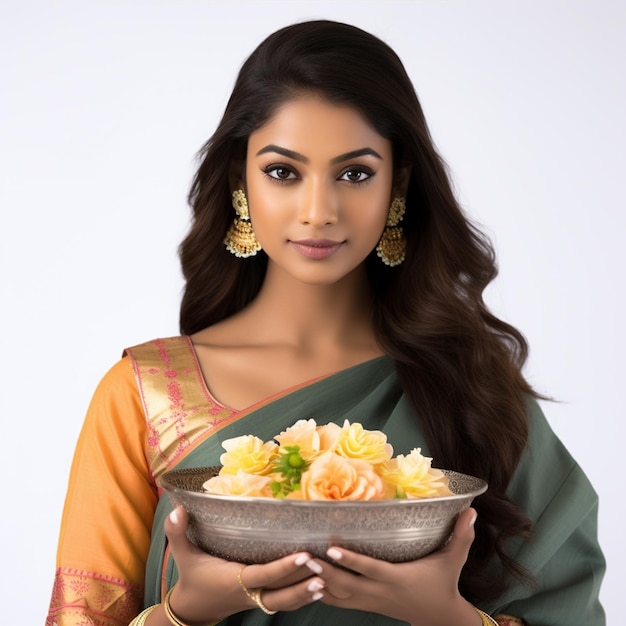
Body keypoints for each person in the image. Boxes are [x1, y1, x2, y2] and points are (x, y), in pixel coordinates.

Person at [46, 19, 605, 626]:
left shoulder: (474, 389)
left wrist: (444, 615)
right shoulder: (144, 397)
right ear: (241, 182)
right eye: (283, 172)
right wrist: (189, 609)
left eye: (355, 173)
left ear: (399, 186)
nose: (319, 211)